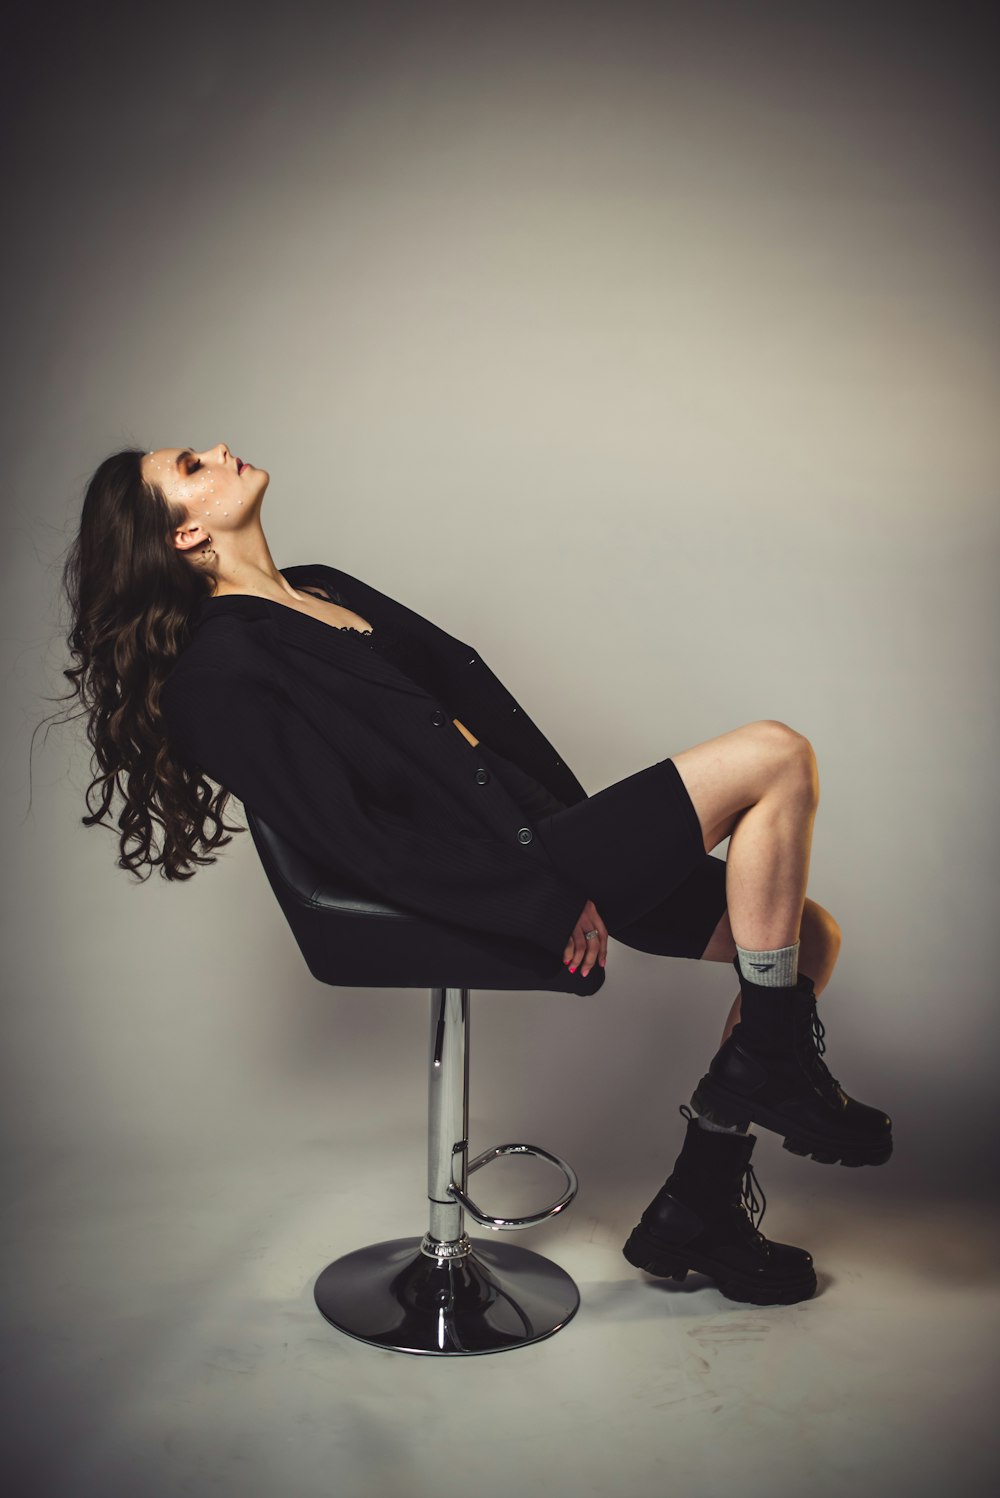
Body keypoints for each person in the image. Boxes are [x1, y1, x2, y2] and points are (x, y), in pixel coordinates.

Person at [55, 440, 892, 1310]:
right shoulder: (218, 672)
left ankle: (702, 1198)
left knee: (806, 937)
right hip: (520, 867)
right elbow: (352, 840)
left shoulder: (322, 586)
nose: (220, 451)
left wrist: (574, 840)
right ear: (185, 533)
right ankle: (763, 1071)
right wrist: (542, 899)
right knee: (776, 755)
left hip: (557, 829)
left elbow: (458, 711)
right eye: (192, 464)